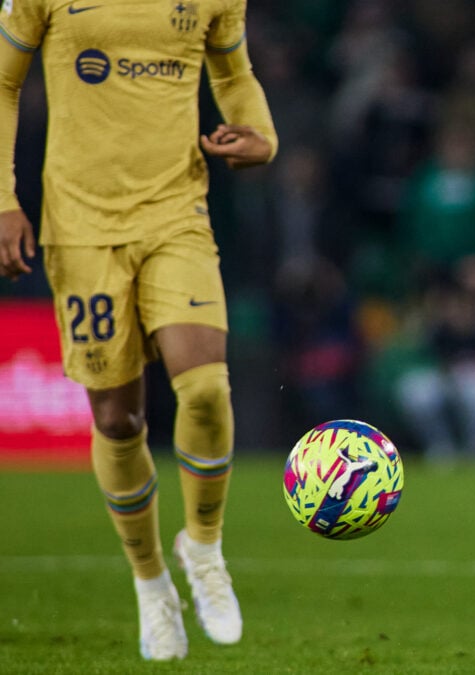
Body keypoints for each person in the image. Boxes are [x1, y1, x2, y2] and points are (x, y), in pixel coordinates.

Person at [0, 1, 277, 662]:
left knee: (206, 387)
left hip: (175, 212)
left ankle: (204, 548)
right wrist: (4, 200)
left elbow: (234, 75)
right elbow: (4, 82)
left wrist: (260, 132)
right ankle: (151, 580)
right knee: (120, 421)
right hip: (81, 226)